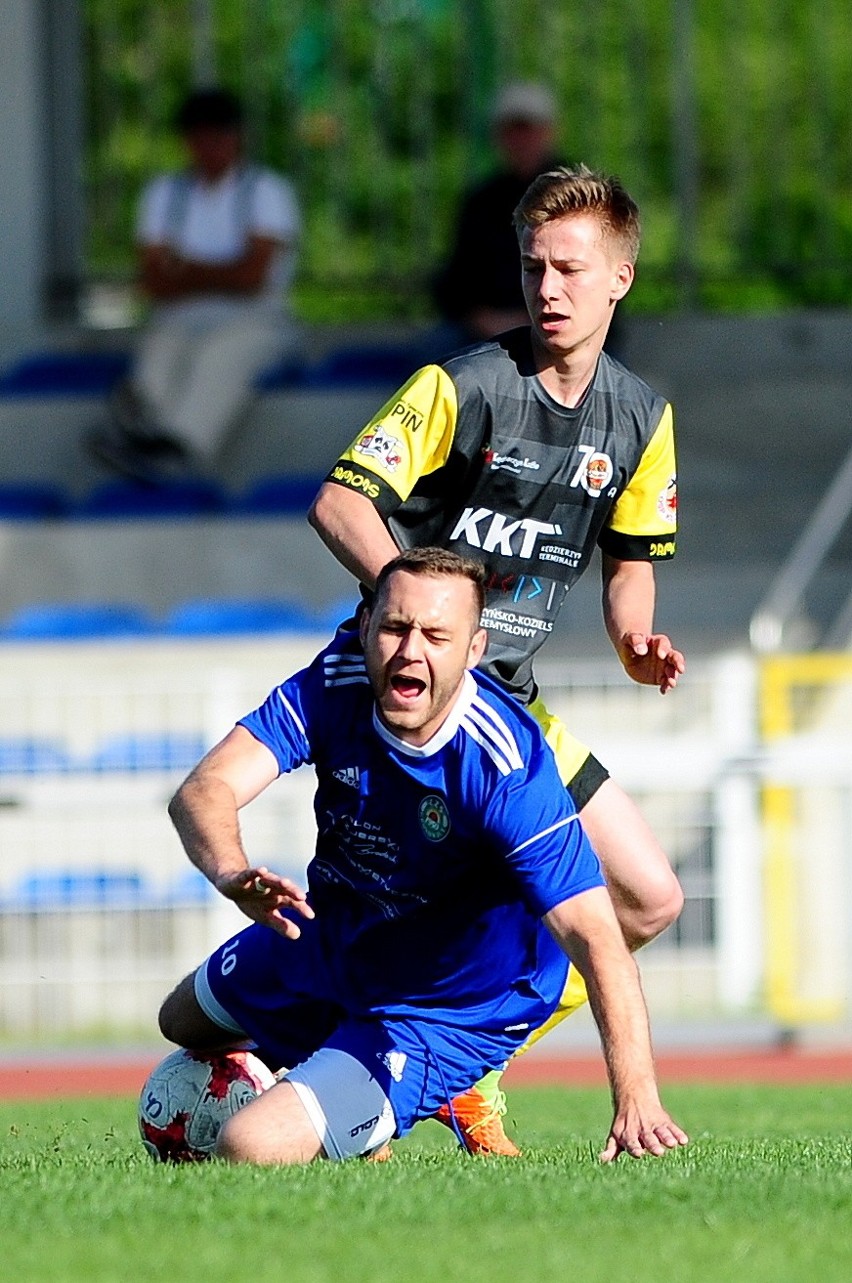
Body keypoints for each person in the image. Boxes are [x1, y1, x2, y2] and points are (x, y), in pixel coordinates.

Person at [308, 165, 685, 1153]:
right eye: (533, 267)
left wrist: (636, 641)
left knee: (650, 897)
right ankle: (334, 1054)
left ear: (620, 279)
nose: (548, 288)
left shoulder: (642, 419)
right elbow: (342, 502)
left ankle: (467, 1056)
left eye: (570, 268)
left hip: (508, 700)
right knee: (395, 923)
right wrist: (423, 613)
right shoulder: (462, 384)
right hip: (414, 702)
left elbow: (630, 567)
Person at [159, 547, 688, 1166]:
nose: (411, 650)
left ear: (474, 650)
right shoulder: (337, 683)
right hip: (337, 939)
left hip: (444, 1006)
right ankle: (347, 1104)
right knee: (181, 1023)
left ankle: (400, 1093)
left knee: (246, 1147)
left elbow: (599, 940)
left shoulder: (506, 769)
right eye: (394, 627)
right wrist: (230, 872)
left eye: (437, 635)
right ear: (364, 628)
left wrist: (637, 1101)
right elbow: (205, 789)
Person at [88, 87, 301, 484]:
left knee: (226, 352)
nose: (210, 146)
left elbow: (252, 280)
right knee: (160, 349)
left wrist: (184, 269)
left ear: (237, 137)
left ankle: (178, 451)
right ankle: (142, 437)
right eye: (200, 136)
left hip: (258, 317)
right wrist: (221, 271)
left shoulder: (267, 190)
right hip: (180, 317)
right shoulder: (164, 193)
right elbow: (153, 281)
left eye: (219, 135)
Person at [430, 81, 563, 352]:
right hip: (481, 333)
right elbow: (457, 278)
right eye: (512, 130)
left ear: (548, 132)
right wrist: (482, 318)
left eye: (528, 129)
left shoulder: (579, 198)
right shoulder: (481, 201)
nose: (520, 140)